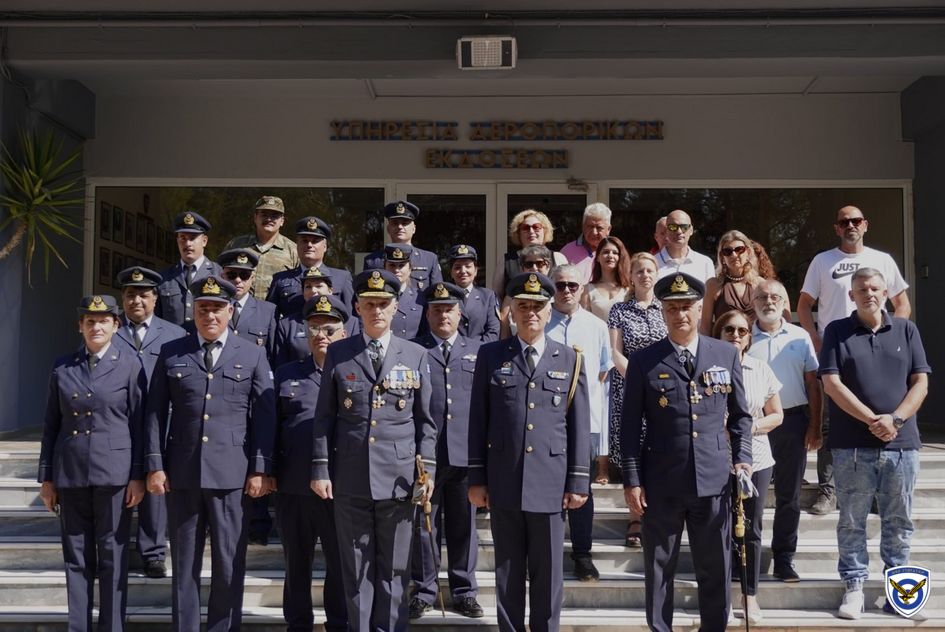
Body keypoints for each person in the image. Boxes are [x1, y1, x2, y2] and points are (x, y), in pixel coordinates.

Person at [620, 272, 753, 632]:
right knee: (659, 568)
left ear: (699, 309)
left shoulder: (725, 353)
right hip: (662, 482)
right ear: (663, 312)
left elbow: (740, 416)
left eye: (686, 307)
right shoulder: (644, 361)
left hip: (713, 480)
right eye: (672, 308)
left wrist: (742, 459)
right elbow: (629, 427)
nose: (680, 314)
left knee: (715, 566)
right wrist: (632, 480)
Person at [145, 275, 276, 632]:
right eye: (203, 308)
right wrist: (155, 464)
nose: (210, 316)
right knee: (183, 565)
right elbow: (155, 412)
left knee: (229, 564)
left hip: (232, 476)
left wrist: (260, 469)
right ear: (194, 311)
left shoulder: (252, 353)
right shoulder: (172, 352)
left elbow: (265, 416)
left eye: (217, 308)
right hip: (182, 474)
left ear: (230, 311)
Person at [310, 268, 437, 632]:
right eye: (369, 304)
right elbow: (324, 417)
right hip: (351, 479)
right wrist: (320, 469)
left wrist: (427, 471)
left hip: (399, 480)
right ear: (357, 307)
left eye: (383, 303)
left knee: (395, 570)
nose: (376, 310)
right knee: (355, 570)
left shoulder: (415, 354)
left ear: (396, 307)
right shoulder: (339, 353)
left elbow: (426, 421)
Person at [468, 271, 590, 632]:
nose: (530, 313)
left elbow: (578, 425)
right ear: (512, 312)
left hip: (550, 483)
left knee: (548, 574)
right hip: (504, 480)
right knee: (507, 573)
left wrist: (578, 481)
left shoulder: (569, 358)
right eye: (523, 306)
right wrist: (477, 477)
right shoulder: (491, 355)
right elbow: (478, 420)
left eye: (537, 306)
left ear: (549, 311)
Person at [818, 268, 930, 620]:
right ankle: (854, 588)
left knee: (899, 520)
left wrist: (895, 420)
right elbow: (831, 384)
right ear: (851, 296)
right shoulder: (837, 331)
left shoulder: (906, 329)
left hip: (902, 445)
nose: (869, 293)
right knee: (852, 520)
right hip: (851, 445)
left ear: (886, 293)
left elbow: (920, 382)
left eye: (875, 288)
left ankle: (899, 593)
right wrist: (872, 420)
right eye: (862, 289)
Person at [38, 294, 146, 631]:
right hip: (71, 473)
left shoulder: (129, 364)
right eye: (89, 321)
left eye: (103, 321)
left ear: (116, 325)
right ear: (80, 326)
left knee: (112, 556)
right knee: (76, 558)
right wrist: (47, 478)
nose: (96, 326)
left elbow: (139, 424)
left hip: (114, 475)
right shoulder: (63, 366)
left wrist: (138, 475)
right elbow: (51, 425)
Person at [797, 205, 911, 515]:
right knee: (831, 422)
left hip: (874, 350)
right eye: (844, 222)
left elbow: (902, 304)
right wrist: (816, 340)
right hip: (837, 348)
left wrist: (892, 338)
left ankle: (874, 493)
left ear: (865, 225)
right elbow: (804, 305)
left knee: (873, 414)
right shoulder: (823, 261)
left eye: (856, 220)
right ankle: (829, 491)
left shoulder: (882, 260)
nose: (851, 225)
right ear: (836, 228)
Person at [273, 294, 349, 632]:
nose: (322, 335)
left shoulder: (352, 373)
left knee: (340, 562)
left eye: (329, 329)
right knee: (296, 562)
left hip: (341, 487)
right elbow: (271, 428)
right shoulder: (286, 374)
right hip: (294, 485)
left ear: (343, 333)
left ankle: (339, 623)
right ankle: (298, 624)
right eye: (314, 328)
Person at [408, 282, 484, 620]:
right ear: (427, 314)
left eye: (449, 309)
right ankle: (425, 591)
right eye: (436, 309)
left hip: (465, 453)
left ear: (459, 313)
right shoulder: (412, 350)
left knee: (463, 526)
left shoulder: (479, 351)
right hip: (425, 456)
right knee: (424, 525)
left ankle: (464, 591)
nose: (443, 315)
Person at [112, 266, 188, 579]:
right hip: (119, 422)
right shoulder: (110, 331)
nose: (137, 301)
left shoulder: (175, 334)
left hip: (161, 420)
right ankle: (112, 552)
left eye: (143, 295)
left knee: (156, 482)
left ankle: (153, 553)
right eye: (130, 295)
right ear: (123, 299)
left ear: (155, 299)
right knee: (118, 483)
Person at [748, 279, 822, 583]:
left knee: (789, 496)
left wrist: (815, 425)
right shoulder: (741, 335)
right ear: (753, 302)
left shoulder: (800, 337)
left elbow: (812, 384)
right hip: (753, 426)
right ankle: (745, 558)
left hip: (792, 423)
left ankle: (783, 558)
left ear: (784, 303)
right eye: (762, 297)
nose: (769, 301)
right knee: (748, 496)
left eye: (775, 296)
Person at [713, 309, 783, 625]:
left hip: (756, 458)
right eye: (729, 329)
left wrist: (746, 427)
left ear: (749, 338)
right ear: (718, 334)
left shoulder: (760, 368)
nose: (736, 335)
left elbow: (777, 415)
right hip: (717, 458)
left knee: (751, 528)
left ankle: (749, 594)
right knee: (719, 529)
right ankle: (723, 596)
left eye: (742, 331)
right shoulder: (707, 368)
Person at [546, 265, 613, 582]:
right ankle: (545, 555)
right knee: (547, 490)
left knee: (581, 490)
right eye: (560, 285)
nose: (566, 291)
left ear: (582, 288)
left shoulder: (597, 326)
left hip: (583, 423)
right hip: (546, 422)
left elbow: (602, 373)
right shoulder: (541, 321)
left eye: (572, 285)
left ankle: (582, 555)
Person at [608, 252, 667, 548]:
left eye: (649, 270)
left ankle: (658, 514)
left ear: (656, 274)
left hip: (663, 389)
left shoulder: (666, 307)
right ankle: (635, 517)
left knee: (659, 450)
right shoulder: (619, 310)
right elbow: (615, 351)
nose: (644, 275)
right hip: (629, 387)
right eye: (639, 271)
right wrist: (639, 378)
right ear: (630, 276)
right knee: (633, 451)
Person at [700, 229, 791, 334]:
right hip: (723, 342)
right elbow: (705, 327)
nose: (734, 255)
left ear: (748, 252)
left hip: (756, 342)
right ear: (722, 257)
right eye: (727, 251)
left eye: (739, 249)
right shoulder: (713, 285)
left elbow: (780, 319)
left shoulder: (760, 284)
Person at [266, 215, 354, 319]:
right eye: (304, 240)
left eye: (315, 241)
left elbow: (352, 318)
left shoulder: (342, 278)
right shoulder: (280, 279)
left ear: (325, 246)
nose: (309, 245)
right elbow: (270, 318)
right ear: (297, 245)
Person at [223, 195, 299, 299]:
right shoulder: (236, 245)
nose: (269, 219)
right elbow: (221, 276)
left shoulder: (293, 250)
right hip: (239, 306)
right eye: (264, 215)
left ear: (282, 221)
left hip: (276, 308)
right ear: (255, 217)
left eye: (274, 216)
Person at [272, 266, 348, 369]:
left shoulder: (349, 322)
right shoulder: (287, 325)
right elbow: (281, 365)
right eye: (308, 286)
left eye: (319, 286)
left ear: (330, 290)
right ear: (303, 292)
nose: (313, 290)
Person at [155, 211, 222, 325]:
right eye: (183, 238)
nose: (187, 244)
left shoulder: (219, 273)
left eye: (192, 238)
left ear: (204, 241)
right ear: (177, 241)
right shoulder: (164, 278)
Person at [363, 200, 442, 290]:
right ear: (388, 228)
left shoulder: (429, 259)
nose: (400, 227)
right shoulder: (372, 261)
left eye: (405, 223)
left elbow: (437, 293)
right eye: (395, 223)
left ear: (414, 229)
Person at [491, 209, 567, 300]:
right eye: (525, 228)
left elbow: (566, 288)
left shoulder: (558, 258)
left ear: (545, 231)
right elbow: (496, 294)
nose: (531, 231)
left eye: (536, 227)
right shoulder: (507, 261)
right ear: (518, 233)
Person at [218, 249, 278, 357]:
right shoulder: (213, 309)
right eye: (231, 275)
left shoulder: (268, 311)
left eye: (244, 275)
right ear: (222, 277)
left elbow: (273, 355)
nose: (238, 280)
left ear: (252, 278)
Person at [447, 243, 500, 342]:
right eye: (457, 267)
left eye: (468, 266)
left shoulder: (488, 296)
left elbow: (493, 331)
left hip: (481, 350)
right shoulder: (445, 297)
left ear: (475, 271)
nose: (463, 271)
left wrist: (475, 348)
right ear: (451, 272)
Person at [499, 245, 554, 339]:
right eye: (529, 264)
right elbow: (505, 328)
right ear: (522, 268)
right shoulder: (512, 296)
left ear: (548, 266)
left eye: (540, 263)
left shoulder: (560, 293)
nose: (534, 268)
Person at [653, 209, 715, 282]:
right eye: (673, 227)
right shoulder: (653, 263)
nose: (679, 231)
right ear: (667, 231)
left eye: (684, 227)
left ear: (691, 230)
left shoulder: (705, 263)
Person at [581, 235, 631, 322]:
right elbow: (584, 322)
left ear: (620, 257)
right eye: (606, 252)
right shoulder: (587, 290)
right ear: (598, 257)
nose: (610, 255)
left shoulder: (629, 289)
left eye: (615, 253)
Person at [383, 243, 426, 340]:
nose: (396, 270)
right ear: (385, 268)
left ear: (410, 269)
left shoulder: (420, 298)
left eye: (401, 265)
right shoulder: (375, 296)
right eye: (392, 265)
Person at [560, 203, 612, 283]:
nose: (594, 232)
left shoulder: (614, 253)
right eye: (590, 226)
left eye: (599, 228)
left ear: (608, 229)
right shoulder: (567, 251)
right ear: (583, 226)